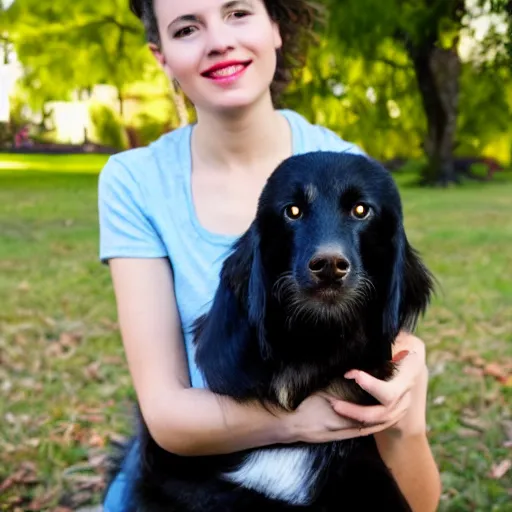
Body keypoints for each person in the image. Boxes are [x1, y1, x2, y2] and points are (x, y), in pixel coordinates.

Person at [97, 1, 442, 511]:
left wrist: (406, 399)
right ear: (162, 55)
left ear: (276, 26)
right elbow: (167, 415)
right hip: (196, 451)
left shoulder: (351, 171)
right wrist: (301, 419)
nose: (218, 40)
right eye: (187, 27)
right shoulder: (135, 181)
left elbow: (420, 498)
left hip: (334, 457)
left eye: (237, 12)